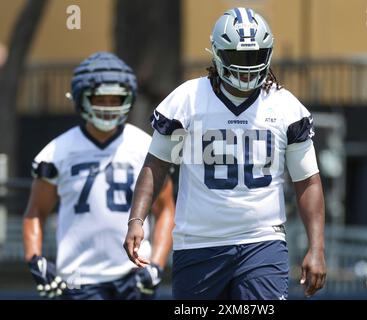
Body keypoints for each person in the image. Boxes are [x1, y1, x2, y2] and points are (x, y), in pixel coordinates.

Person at [124, 7, 326, 300]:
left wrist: (317, 246)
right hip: (198, 243)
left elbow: (308, 180)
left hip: (262, 242)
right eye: (238, 57)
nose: (246, 67)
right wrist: (136, 220)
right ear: (218, 54)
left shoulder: (285, 107)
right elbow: (156, 165)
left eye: (254, 56)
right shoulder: (187, 101)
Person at [22, 52, 175, 300]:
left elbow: (166, 209)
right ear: (82, 99)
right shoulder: (56, 152)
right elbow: (35, 212)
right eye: (100, 98)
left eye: (116, 99)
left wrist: (157, 264)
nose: (108, 106)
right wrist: (34, 258)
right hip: (78, 277)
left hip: (134, 273)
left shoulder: (145, 146)